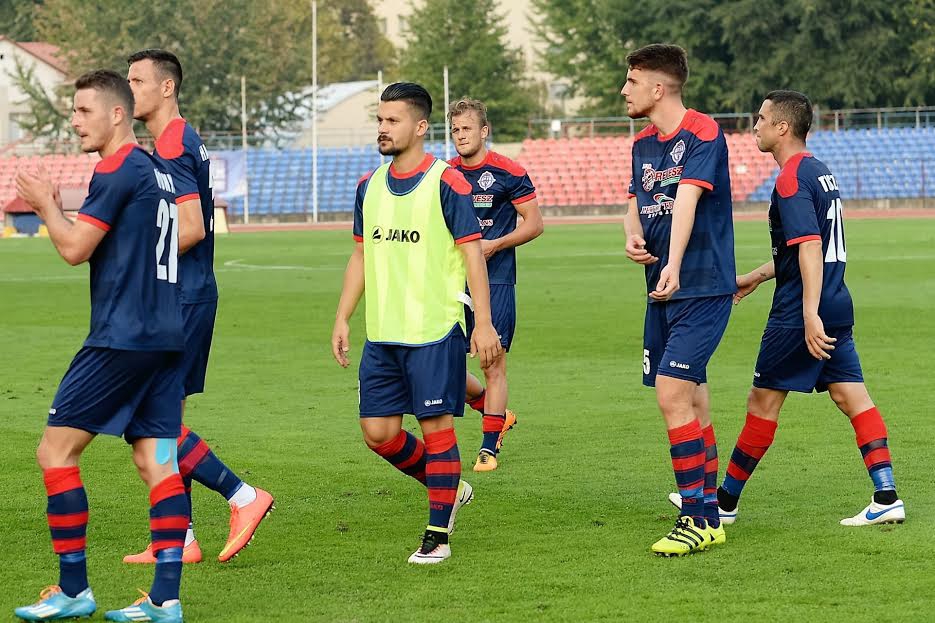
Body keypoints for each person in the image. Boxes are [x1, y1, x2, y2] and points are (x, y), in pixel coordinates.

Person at [672, 90, 904, 527]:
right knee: (851, 396)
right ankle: (887, 494)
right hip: (836, 301)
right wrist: (760, 275)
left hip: (801, 312)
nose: (755, 126)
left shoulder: (790, 178)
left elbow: (811, 247)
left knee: (762, 402)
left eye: (761, 119)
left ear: (782, 127)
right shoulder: (820, 171)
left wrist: (808, 313)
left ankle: (724, 503)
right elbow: (803, 249)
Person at [14, 69, 187, 623]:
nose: (74, 121)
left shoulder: (116, 169)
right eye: (74, 110)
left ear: (117, 114)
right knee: (157, 460)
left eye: (84, 110)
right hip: (166, 335)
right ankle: (164, 600)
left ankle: (73, 591)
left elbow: (74, 249)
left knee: (55, 452)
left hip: (121, 338)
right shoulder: (157, 170)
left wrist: (46, 205)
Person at [331, 82, 502, 564]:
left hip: (434, 329)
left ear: (421, 126)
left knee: (436, 428)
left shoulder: (448, 183)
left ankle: (438, 535)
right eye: (380, 120)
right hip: (383, 333)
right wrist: (343, 317)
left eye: (393, 121)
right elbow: (361, 256)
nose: (383, 129)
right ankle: (450, 487)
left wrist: (483, 324)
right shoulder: (368, 186)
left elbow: (473, 256)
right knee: (378, 433)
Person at [125, 48, 273, 565]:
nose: (128, 89)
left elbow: (189, 228)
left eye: (137, 80)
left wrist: (135, 258)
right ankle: (178, 538)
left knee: (148, 417)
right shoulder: (179, 137)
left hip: (180, 296)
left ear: (166, 87)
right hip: (187, 292)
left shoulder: (172, 142)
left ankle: (243, 496)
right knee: (164, 416)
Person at [621, 43, 736, 555]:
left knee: (671, 394)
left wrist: (672, 262)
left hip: (703, 285)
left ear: (657, 87)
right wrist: (632, 235)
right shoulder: (642, 143)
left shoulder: (703, 131)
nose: (623, 90)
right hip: (661, 291)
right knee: (693, 400)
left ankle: (693, 518)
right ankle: (709, 516)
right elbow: (636, 202)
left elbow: (686, 197)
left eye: (631, 81)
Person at [448, 98, 544, 472]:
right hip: (453, 283)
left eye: (467, 128)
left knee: (493, 363)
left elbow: (534, 224)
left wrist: (496, 245)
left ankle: (488, 448)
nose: (460, 135)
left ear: (484, 131)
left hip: (497, 280)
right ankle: (496, 412)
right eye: (455, 130)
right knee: (445, 368)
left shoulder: (508, 172)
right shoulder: (444, 174)